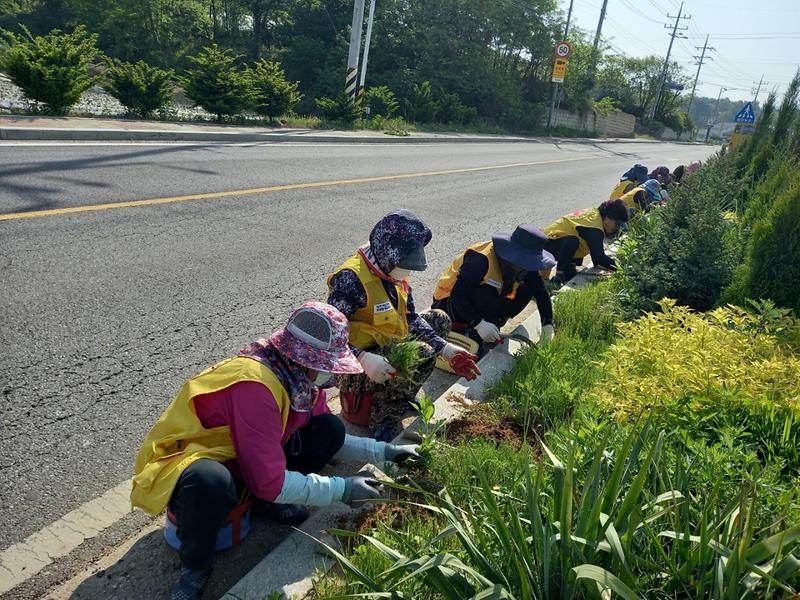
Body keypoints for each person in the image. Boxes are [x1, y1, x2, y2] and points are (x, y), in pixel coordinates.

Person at [131, 302, 422, 600]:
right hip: (190, 457)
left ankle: (261, 503)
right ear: (306, 359)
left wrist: (384, 452)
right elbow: (270, 481)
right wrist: (342, 489)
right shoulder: (256, 387)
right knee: (210, 483)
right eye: (327, 366)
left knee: (329, 429)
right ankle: (196, 567)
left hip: (243, 450)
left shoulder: (297, 379)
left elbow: (329, 436)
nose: (331, 375)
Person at [327, 209, 480, 441]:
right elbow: (329, 335)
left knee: (439, 320)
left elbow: (409, 317)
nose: (408, 271)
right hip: (354, 365)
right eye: (405, 264)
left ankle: (402, 393)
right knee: (423, 354)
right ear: (388, 253)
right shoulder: (351, 280)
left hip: (386, 346)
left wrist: (446, 349)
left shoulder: (392, 273)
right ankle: (382, 420)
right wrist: (362, 358)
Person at [431, 225, 557, 354]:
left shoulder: (523, 266)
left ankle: (492, 324)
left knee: (527, 289)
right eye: (525, 264)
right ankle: (472, 328)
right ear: (512, 257)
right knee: (487, 292)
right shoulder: (480, 259)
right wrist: (479, 324)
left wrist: (547, 324)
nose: (527, 269)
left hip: (484, 302)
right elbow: (458, 295)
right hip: (448, 303)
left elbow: (540, 292)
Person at [542, 199, 629, 286]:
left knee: (579, 241)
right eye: (617, 224)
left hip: (550, 243)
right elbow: (599, 257)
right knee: (573, 241)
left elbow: (595, 255)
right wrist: (622, 267)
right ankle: (558, 277)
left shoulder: (594, 217)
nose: (616, 228)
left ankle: (568, 271)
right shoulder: (595, 228)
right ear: (608, 217)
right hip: (545, 247)